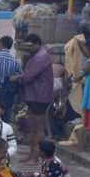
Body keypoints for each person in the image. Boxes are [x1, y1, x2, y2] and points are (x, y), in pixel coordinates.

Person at [10, 34, 54, 164]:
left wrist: (18, 78)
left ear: (37, 44)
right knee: (32, 127)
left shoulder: (41, 56)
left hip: (40, 96)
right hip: (34, 95)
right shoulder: (37, 56)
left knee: (37, 128)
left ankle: (35, 158)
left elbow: (29, 76)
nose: (28, 48)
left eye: (30, 46)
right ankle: (31, 155)